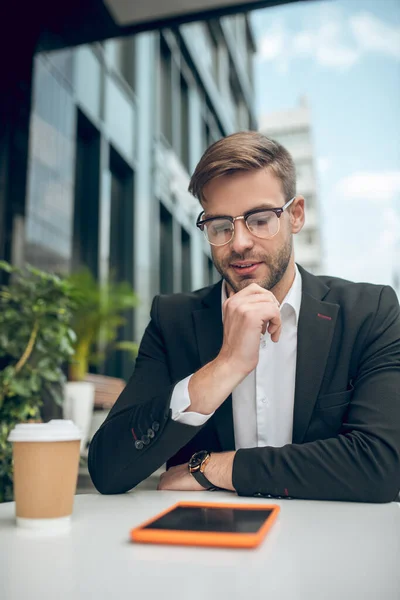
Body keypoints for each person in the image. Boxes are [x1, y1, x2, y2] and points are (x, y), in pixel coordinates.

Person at [88, 132, 400, 503]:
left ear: (296, 215)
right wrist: (225, 366)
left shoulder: (369, 311)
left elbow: (381, 466)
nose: (238, 243)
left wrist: (212, 469)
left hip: (328, 547)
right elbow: (108, 469)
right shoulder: (172, 320)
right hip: (210, 548)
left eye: (260, 219)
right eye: (220, 226)